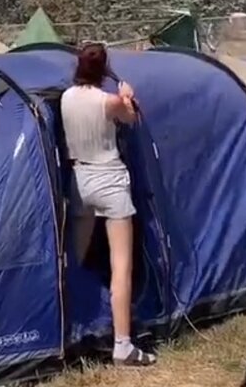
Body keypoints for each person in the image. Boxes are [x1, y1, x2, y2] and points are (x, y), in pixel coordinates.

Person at [60, 43, 155, 368]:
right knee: (121, 267)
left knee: (79, 255)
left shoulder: (66, 98)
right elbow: (130, 118)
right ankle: (123, 345)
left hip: (80, 181)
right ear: (103, 70)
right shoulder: (109, 101)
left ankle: (77, 325)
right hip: (111, 183)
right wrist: (127, 95)